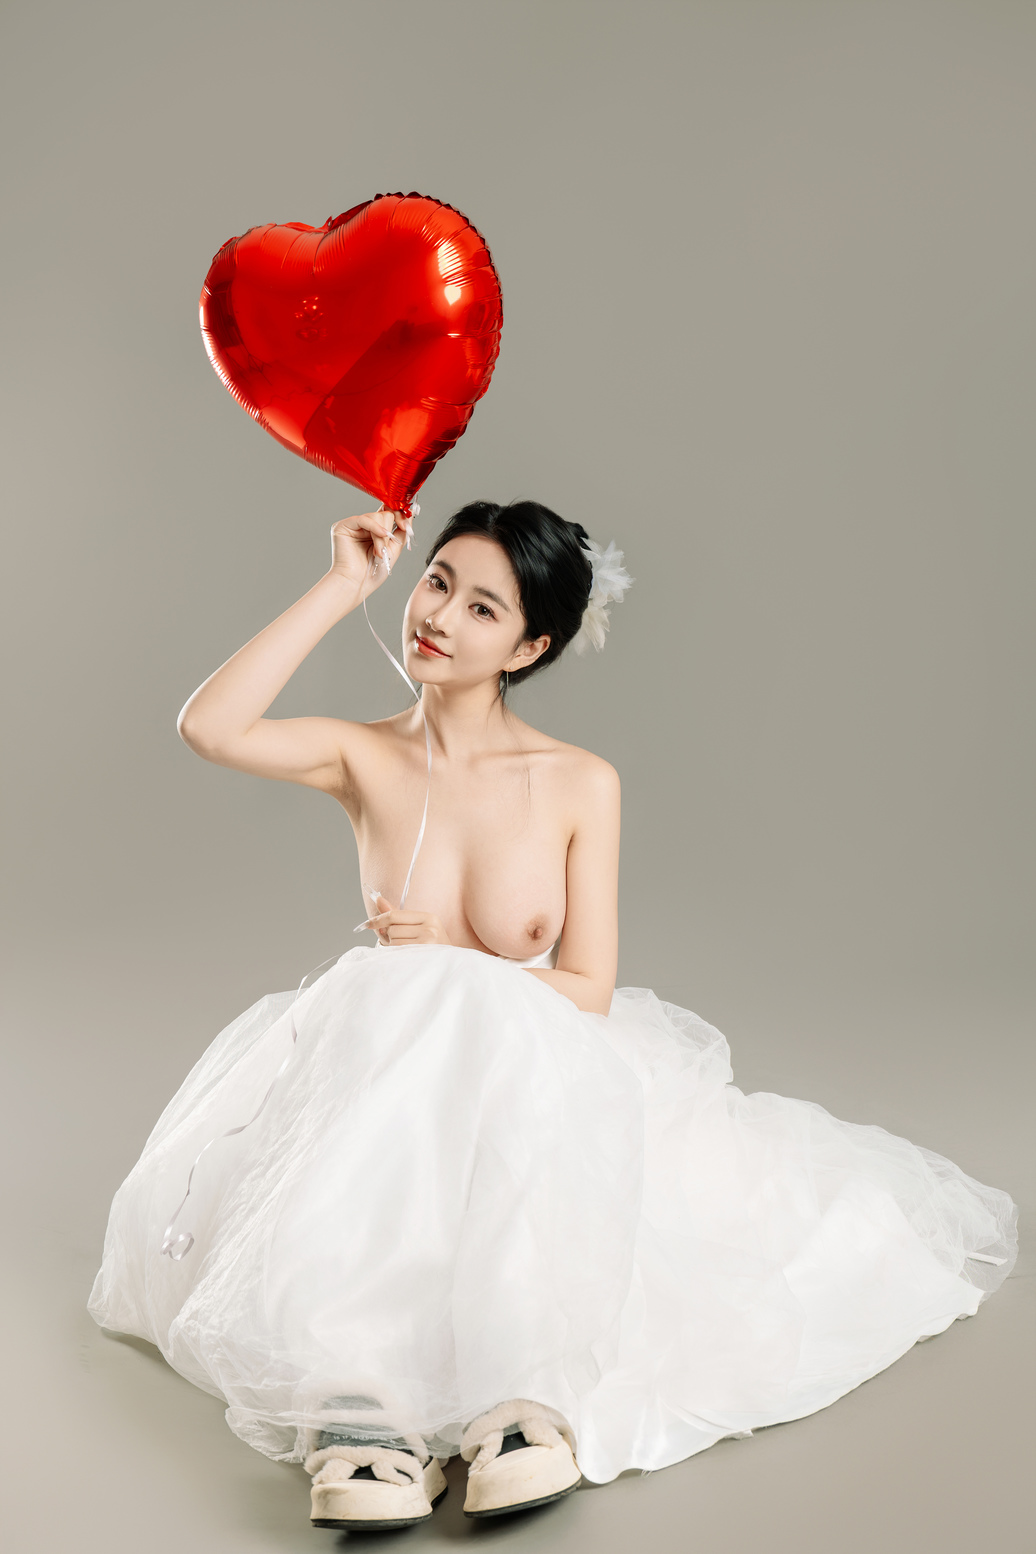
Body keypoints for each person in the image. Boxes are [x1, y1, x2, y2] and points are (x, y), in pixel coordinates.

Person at [89, 499, 1018, 1533]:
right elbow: (210, 727)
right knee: (407, 1019)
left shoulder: (578, 782)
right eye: (436, 582)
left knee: (460, 1022)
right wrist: (345, 582)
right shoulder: (364, 757)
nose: (438, 617)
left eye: (481, 608)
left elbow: (587, 986)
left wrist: (455, 965)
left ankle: (516, 1394)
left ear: (529, 648)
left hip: (531, 1073)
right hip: (393, 1084)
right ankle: (364, 1406)